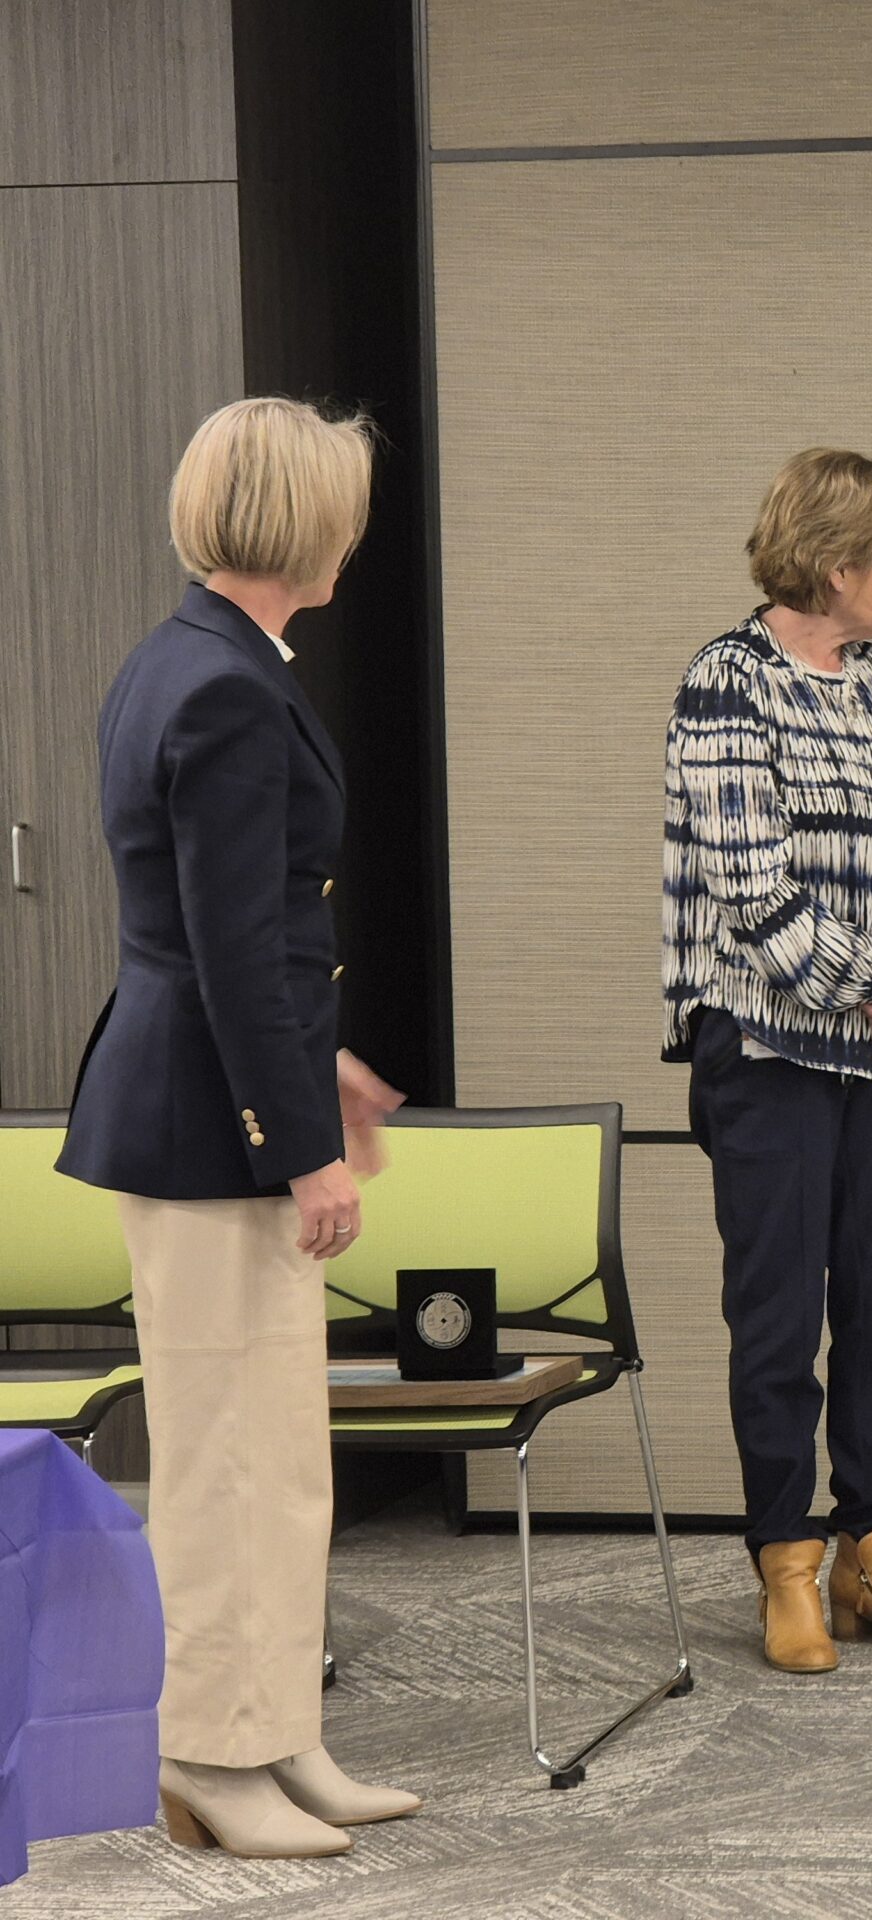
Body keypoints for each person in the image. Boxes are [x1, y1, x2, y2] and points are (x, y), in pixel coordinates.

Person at [57, 397, 422, 1856]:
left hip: (230, 1096)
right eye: (343, 504)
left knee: (277, 1453)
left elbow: (252, 937)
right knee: (221, 1461)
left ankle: (278, 1734)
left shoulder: (210, 661)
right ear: (304, 523)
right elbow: (218, 942)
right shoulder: (219, 685)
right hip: (206, 1130)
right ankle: (209, 1756)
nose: (356, 529)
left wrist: (318, 1065)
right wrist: (305, 1143)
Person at [662, 448, 872, 1672]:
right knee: (779, 1319)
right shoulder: (723, 686)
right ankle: (785, 1564)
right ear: (838, 564)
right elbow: (750, 889)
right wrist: (869, 987)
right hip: (769, 1049)